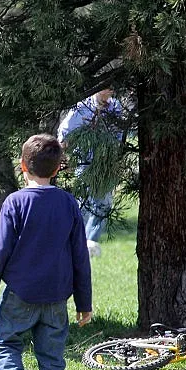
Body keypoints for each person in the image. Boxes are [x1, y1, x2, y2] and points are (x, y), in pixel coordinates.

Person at [0, 134, 92, 370]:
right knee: (52, 358)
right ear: (57, 169)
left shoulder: (15, 202)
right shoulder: (68, 203)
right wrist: (84, 303)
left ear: (22, 166)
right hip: (57, 296)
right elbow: (80, 255)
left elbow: (1, 251)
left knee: (2, 343)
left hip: (21, 293)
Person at [57, 89, 124, 257]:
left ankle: (89, 245)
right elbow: (65, 132)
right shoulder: (83, 107)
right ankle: (75, 242)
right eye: (105, 86)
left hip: (107, 164)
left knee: (103, 205)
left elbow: (120, 136)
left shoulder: (116, 107)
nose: (108, 90)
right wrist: (62, 155)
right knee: (84, 205)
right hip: (85, 163)